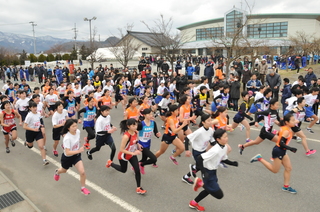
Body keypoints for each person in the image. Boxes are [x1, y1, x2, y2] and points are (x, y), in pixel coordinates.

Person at [189, 129, 238, 211]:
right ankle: (200, 183)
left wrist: (232, 163)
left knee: (209, 190)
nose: (227, 138)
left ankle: (193, 203)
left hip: (213, 172)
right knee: (219, 195)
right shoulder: (215, 150)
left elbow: (222, 159)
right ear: (218, 139)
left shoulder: (224, 147)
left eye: (227, 136)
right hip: (208, 172)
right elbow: (200, 158)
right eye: (224, 137)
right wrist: (204, 172)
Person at [250, 113, 298, 194]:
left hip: (283, 150)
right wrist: (290, 148)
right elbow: (281, 143)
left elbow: (279, 134)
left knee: (288, 168)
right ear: (287, 122)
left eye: (294, 120)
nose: (295, 122)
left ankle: (286, 186)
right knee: (275, 170)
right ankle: (259, 158)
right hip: (278, 150)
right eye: (293, 120)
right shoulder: (286, 130)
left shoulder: (285, 128)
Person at [106, 118, 147, 195]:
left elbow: (135, 142)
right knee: (123, 170)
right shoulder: (126, 136)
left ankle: (138, 188)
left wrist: (138, 146)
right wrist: (133, 153)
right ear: (128, 126)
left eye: (136, 124)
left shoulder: (135, 132)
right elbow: (121, 149)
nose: (136, 126)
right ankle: (110, 163)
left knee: (137, 170)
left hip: (131, 154)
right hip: (123, 156)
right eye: (133, 125)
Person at [53, 119, 91, 195]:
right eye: (73, 126)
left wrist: (82, 143)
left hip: (76, 156)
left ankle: (83, 188)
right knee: (64, 170)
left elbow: (77, 140)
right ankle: (57, 172)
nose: (75, 127)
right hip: (67, 158)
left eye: (76, 125)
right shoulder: (67, 138)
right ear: (68, 128)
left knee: (82, 172)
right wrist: (79, 151)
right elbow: (68, 152)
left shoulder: (78, 132)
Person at [182, 114, 214, 185]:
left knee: (200, 166)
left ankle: (186, 176)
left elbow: (212, 141)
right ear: (203, 122)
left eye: (211, 120)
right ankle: (204, 182)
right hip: (197, 151)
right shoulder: (199, 131)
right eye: (208, 121)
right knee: (202, 167)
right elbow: (187, 138)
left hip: (204, 151)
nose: (210, 122)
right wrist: (187, 150)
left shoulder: (211, 130)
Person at [23, 101, 49, 165]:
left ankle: (44, 160)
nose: (35, 108)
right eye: (33, 107)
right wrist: (33, 129)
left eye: (35, 107)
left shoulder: (38, 114)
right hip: (30, 132)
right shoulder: (29, 116)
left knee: (41, 146)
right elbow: (24, 126)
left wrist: (41, 126)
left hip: (38, 132)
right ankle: (27, 142)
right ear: (30, 108)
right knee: (30, 146)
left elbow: (39, 121)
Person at [137, 109, 161, 173]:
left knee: (144, 159)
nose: (151, 115)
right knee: (154, 159)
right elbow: (133, 132)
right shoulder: (141, 124)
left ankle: (136, 166)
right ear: (144, 115)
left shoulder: (153, 123)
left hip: (148, 143)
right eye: (149, 114)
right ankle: (141, 165)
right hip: (142, 144)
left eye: (151, 114)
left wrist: (158, 135)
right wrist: (136, 143)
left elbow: (156, 133)